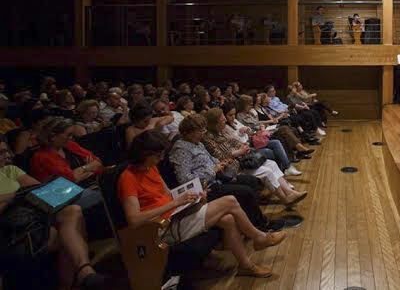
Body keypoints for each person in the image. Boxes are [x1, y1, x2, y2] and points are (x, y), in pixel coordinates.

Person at [119, 130, 284, 277]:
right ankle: (259, 237)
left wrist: (193, 197)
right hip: (160, 228)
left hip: (175, 215)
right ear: (144, 154)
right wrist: (175, 203)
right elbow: (134, 219)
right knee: (230, 201)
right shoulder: (128, 178)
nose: (160, 159)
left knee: (228, 219)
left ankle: (246, 265)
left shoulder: (150, 168)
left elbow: (168, 194)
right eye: (157, 155)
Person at [0, 138, 109, 289]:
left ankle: (84, 271)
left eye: (6, 151)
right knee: (68, 236)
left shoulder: (10, 170)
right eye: (0, 153)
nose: (6, 156)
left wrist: (12, 198)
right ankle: (79, 276)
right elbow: (20, 195)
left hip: (31, 215)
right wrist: (12, 197)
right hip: (8, 228)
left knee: (73, 210)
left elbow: (37, 190)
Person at [169, 113, 283, 231]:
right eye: (200, 130)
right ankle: (262, 225)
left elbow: (210, 159)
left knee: (252, 181)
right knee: (246, 191)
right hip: (206, 188)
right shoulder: (180, 150)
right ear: (188, 132)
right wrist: (212, 170)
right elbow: (184, 179)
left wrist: (219, 163)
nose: (203, 133)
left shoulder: (197, 143)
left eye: (203, 129)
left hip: (218, 177)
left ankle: (250, 220)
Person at [204, 105, 307, 206]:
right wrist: (239, 151)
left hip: (243, 158)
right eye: (222, 120)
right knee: (267, 171)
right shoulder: (209, 138)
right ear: (215, 123)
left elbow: (237, 142)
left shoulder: (223, 131)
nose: (225, 121)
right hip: (234, 167)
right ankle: (285, 199)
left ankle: (290, 192)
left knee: (271, 164)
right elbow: (219, 156)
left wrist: (243, 147)